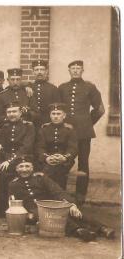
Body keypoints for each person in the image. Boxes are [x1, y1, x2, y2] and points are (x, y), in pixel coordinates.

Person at [8, 156, 115, 242]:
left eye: (27, 166)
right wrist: (26, 216)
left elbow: (57, 191)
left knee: (72, 212)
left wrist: (71, 204)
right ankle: (79, 231)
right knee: (55, 216)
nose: (24, 169)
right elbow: (13, 204)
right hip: (33, 211)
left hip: (50, 205)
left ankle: (102, 228)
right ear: (16, 169)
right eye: (21, 167)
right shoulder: (13, 184)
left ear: (32, 168)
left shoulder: (41, 178)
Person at [58, 60, 105, 204]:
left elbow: (100, 109)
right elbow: (58, 109)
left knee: (83, 163)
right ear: (69, 70)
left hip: (84, 133)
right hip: (66, 131)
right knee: (63, 161)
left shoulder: (90, 87)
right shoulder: (62, 87)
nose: (76, 71)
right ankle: (61, 193)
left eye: (78, 68)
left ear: (83, 70)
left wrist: (87, 123)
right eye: (73, 68)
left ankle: (80, 196)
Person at [0, 101, 35, 216]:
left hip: (24, 158)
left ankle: (26, 210)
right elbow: (4, 146)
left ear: (20, 113)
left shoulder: (29, 126)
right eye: (9, 112)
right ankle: (2, 209)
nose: (11, 114)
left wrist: (10, 161)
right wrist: (0, 148)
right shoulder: (5, 127)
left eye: (14, 111)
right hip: (8, 159)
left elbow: (26, 147)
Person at [36, 103, 78, 189]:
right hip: (46, 161)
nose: (56, 116)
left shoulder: (69, 129)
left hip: (64, 162)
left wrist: (64, 157)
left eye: (58, 114)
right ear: (50, 115)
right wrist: (46, 158)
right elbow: (40, 147)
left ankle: (59, 197)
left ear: (64, 115)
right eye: (53, 114)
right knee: (48, 171)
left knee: (59, 173)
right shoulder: (44, 129)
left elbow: (73, 148)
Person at [29, 60, 60, 127]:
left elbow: (57, 107)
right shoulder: (29, 87)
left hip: (47, 123)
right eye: (37, 70)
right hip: (31, 124)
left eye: (42, 69)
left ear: (46, 71)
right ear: (33, 72)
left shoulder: (53, 88)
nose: (39, 72)